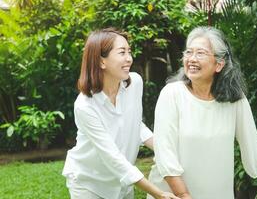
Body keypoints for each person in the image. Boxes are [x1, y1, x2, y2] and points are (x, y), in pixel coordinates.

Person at [147, 26, 257, 199]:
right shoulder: (172, 94)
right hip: (174, 194)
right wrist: (184, 195)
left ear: (219, 64)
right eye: (189, 52)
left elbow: (251, 142)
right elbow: (165, 153)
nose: (191, 59)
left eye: (200, 53)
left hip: (217, 191)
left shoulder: (234, 99)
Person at [62, 28, 179, 199]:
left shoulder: (135, 83)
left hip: (123, 183)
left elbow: (135, 124)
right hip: (89, 185)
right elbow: (113, 158)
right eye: (122, 52)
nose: (129, 59)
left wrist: (165, 149)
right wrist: (159, 194)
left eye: (129, 52)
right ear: (101, 61)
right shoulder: (85, 106)